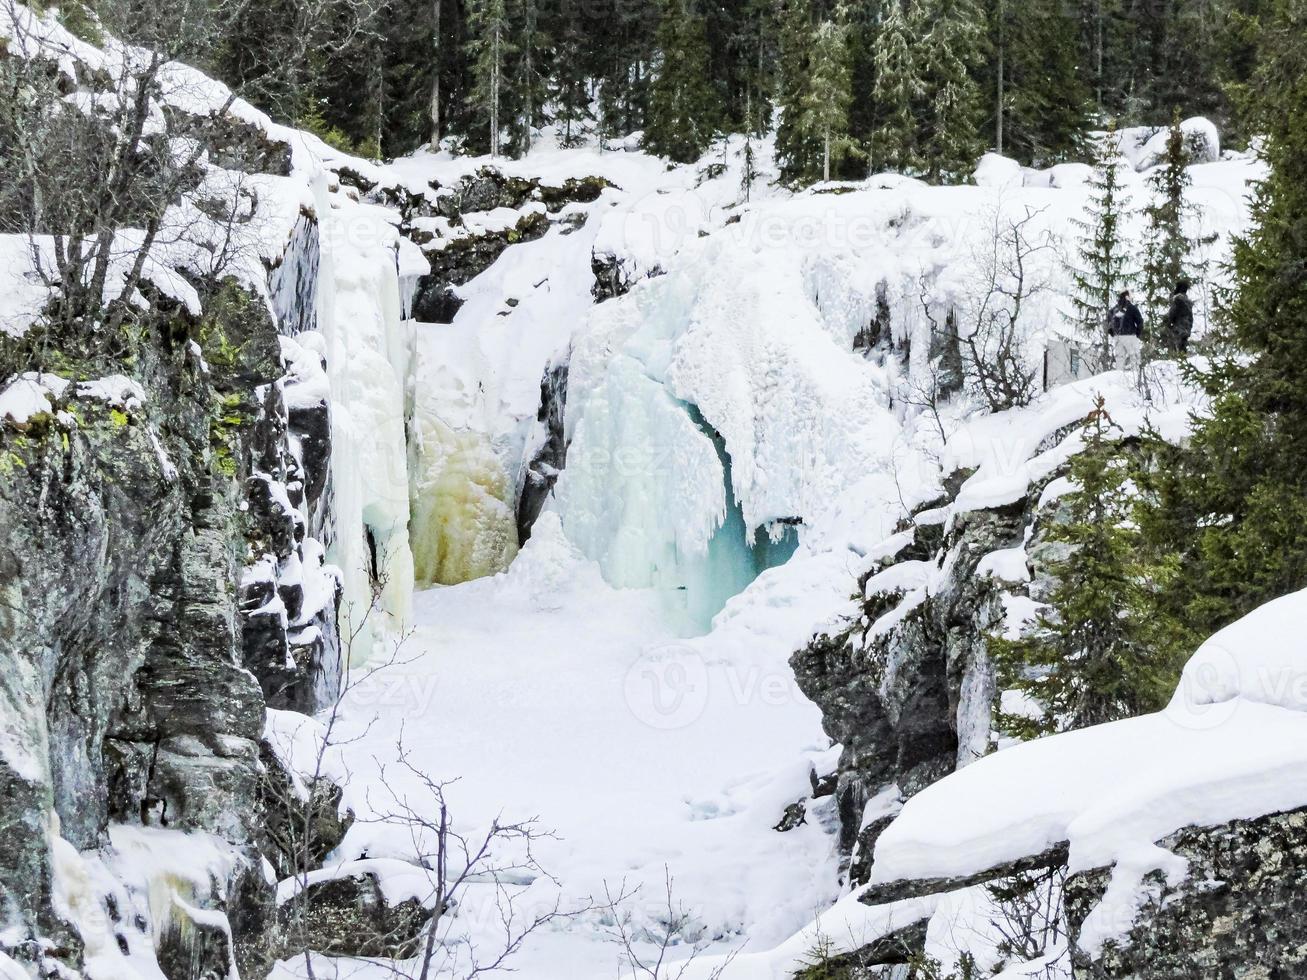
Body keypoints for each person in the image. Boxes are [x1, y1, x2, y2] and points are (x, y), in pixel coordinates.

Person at [1108, 289, 1144, 375]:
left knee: (1119, 358)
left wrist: (1113, 333)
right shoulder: (1132, 308)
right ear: (1127, 296)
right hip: (1130, 335)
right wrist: (1137, 334)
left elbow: (1108, 323)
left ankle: (1119, 377)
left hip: (1117, 337)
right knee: (1134, 357)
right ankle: (1136, 378)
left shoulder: (1114, 309)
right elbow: (1140, 321)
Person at [1162, 279, 1194, 354]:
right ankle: (1183, 360)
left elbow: (1172, 314)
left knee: (1176, 347)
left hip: (1178, 328)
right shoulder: (1187, 302)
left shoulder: (1178, 300)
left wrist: (1168, 322)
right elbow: (1191, 318)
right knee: (1183, 347)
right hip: (1187, 328)